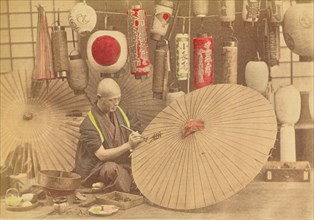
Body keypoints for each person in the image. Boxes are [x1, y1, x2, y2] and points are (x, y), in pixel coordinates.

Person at [74, 78, 144, 193]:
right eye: (111, 100)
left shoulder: (122, 112)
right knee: (111, 169)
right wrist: (129, 145)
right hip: (97, 167)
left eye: (118, 99)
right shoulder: (89, 123)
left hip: (123, 161)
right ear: (99, 98)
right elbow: (101, 155)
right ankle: (112, 183)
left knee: (144, 163)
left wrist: (137, 140)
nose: (116, 103)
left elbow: (138, 129)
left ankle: (107, 184)